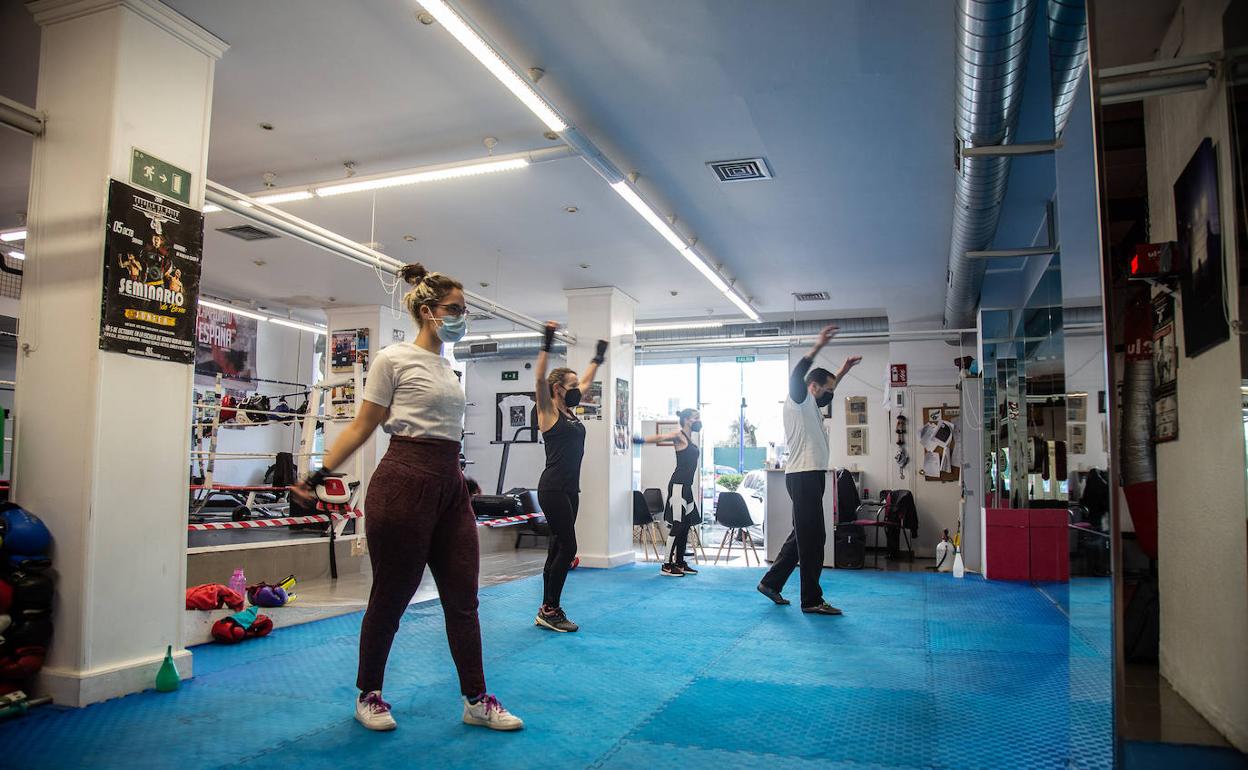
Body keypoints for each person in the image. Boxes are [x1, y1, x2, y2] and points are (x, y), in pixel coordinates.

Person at [291, 263, 523, 733]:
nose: (462, 317)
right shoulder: (392, 359)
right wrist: (319, 473)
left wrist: (458, 476)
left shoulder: (446, 366)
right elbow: (362, 424)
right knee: (392, 597)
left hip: (449, 487)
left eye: (465, 310)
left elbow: (443, 431)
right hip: (402, 482)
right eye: (455, 310)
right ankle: (369, 693)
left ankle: (476, 699)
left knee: (464, 598)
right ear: (427, 311)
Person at [757, 324, 861, 615]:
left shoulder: (812, 404)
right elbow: (797, 376)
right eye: (826, 389)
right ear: (812, 387)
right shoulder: (798, 399)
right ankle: (811, 600)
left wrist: (843, 371)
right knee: (814, 538)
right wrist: (818, 346)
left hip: (810, 475)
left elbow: (828, 389)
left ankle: (770, 582)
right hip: (803, 475)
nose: (829, 394)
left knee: (802, 535)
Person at [532, 321, 607, 633]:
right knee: (569, 547)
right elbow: (538, 377)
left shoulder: (571, 412)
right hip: (551, 487)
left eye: (577, 384)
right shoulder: (547, 412)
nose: (578, 389)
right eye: (571, 385)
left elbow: (587, 380)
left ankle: (546, 608)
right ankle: (552, 608)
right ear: (556, 389)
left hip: (569, 489)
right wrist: (547, 342)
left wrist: (597, 358)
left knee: (558, 546)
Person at [635, 408, 703, 576]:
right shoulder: (679, 436)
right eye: (696, 418)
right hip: (678, 485)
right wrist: (641, 440)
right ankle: (666, 565)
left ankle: (679, 563)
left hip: (686, 487)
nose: (698, 421)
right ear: (687, 420)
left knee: (686, 525)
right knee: (678, 524)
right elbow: (660, 437)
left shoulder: (691, 439)